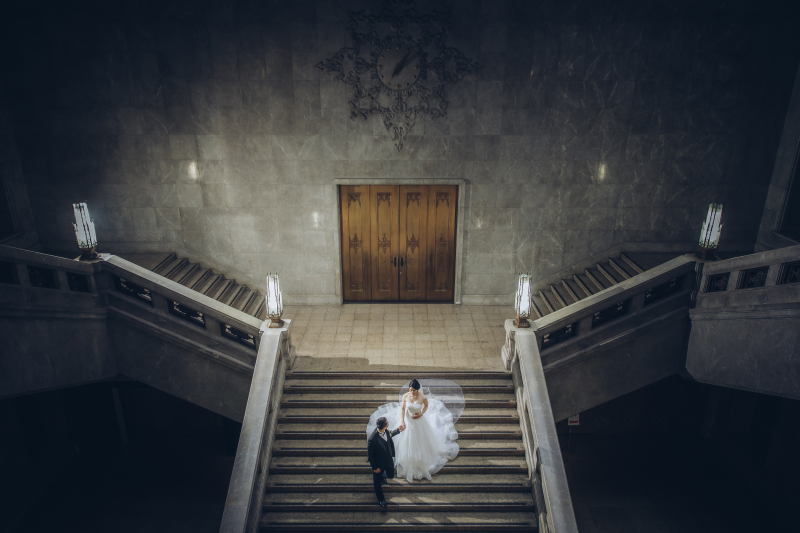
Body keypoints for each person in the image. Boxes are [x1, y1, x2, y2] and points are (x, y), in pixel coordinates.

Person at [366, 378, 460, 484]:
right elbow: (402, 408)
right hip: (408, 420)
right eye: (411, 389)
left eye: (414, 390)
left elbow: (426, 406)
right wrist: (402, 421)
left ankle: (420, 461)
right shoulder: (406, 396)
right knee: (407, 441)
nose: (412, 392)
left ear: (418, 390)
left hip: (419, 422)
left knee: (420, 440)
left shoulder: (423, 397)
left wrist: (421, 413)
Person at [367, 416, 404, 509]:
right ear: (384, 426)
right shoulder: (372, 439)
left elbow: (390, 434)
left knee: (391, 474)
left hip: (388, 459)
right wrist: (375, 468)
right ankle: (381, 499)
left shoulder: (385, 431)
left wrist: (398, 430)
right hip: (379, 464)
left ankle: (383, 477)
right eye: (387, 422)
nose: (388, 423)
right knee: (377, 483)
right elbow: (370, 456)